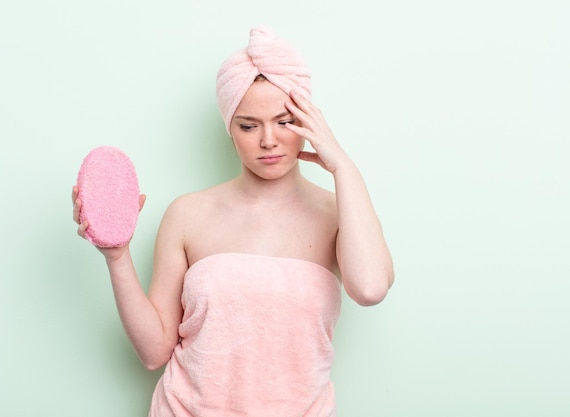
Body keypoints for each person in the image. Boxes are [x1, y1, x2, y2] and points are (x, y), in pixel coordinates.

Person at [72, 26, 394, 417]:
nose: (269, 140)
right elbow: (154, 352)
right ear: (230, 130)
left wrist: (343, 165)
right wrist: (117, 256)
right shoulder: (187, 214)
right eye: (248, 125)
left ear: (310, 123)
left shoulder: (338, 213)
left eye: (286, 121)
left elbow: (371, 288)